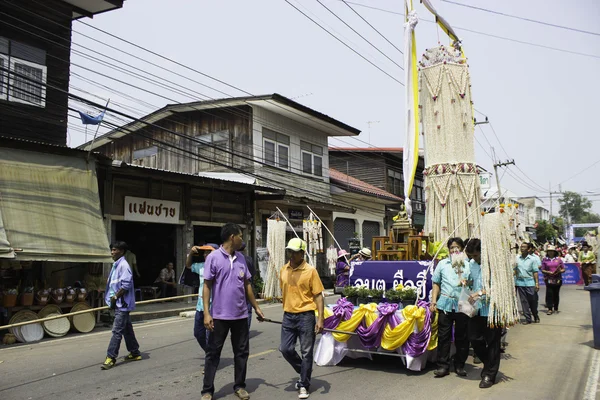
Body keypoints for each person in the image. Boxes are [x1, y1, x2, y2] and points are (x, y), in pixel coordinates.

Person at [201, 223, 265, 400]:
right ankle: (207, 390)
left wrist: (256, 308)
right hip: (219, 316)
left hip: (241, 315)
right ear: (232, 237)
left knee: (241, 353)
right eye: (240, 236)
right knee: (213, 353)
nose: (242, 239)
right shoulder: (213, 258)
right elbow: (206, 286)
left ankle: (239, 386)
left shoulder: (242, 259)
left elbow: (247, 285)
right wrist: (207, 313)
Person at [279, 238, 325, 399]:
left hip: (306, 316)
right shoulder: (284, 269)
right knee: (285, 349)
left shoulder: (310, 271)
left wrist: (320, 319)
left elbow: (318, 296)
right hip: (288, 316)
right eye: (289, 251)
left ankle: (304, 384)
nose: (291, 254)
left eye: (295, 252)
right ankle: (304, 370)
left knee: (306, 353)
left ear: (302, 253)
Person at [430, 237, 471, 378]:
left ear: (462, 249)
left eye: (457, 247)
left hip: (462, 305)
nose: (455, 250)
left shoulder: (468, 264)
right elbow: (436, 283)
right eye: (452, 247)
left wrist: (468, 282)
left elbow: (473, 283)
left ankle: (459, 365)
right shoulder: (442, 264)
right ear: (448, 250)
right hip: (445, 304)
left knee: (462, 337)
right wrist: (433, 301)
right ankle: (443, 366)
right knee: (443, 336)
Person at [465, 239, 502, 389]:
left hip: (492, 309)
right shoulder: (472, 265)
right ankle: (489, 365)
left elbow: (499, 286)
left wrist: (479, 293)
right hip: (476, 308)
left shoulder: (494, 265)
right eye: (472, 256)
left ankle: (489, 375)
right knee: (474, 338)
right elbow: (473, 282)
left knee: (493, 342)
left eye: (476, 255)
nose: (475, 258)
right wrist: (467, 283)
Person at [101, 241, 141, 370]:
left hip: (122, 304)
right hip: (118, 303)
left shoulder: (124, 265)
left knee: (117, 330)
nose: (112, 252)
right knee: (126, 328)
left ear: (122, 251)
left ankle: (110, 357)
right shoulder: (116, 265)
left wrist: (115, 297)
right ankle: (134, 352)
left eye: (114, 250)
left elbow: (126, 285)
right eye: (112, 250)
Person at [186, 244, 217, 364]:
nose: (205, 255)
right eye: (204, 253)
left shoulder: (219, 267)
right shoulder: (201, 267)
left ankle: (211, 360)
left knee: (210, 335)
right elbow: (188, 265)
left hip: (213, 307)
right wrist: (191, 253)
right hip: (200, 306)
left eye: (208, 252)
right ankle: (211, 353)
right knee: (198, 333)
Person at [515, 242, 540, 324]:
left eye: (524, 247)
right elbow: (514, 270)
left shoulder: (532, 259)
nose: (522, 248)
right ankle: (528, 318)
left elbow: (535, 272)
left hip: (530, 282)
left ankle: (535, 315)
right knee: (524, 301)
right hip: (520, 282)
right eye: (521, 247)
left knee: (532, 300)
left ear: (528, 249)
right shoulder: (517, 258)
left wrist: (537, 283)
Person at [541, 245, 565, 315]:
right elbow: (542, 270)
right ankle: (550, 308)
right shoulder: (545, 260)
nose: (550, 253)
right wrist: (548, 272)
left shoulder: (559, 259)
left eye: (552, 251)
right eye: (549, 251)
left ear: (554, 252)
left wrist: (559, 271)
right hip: (548, 278)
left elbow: (563, 269)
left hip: (557, 278)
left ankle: (556, 308)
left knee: (556, 293)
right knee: (549, 293)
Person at [239, 242, 256, 330]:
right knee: (248, 311)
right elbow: (253, 273)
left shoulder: (234, 259)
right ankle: (245, 330)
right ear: (244, 249)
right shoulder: (249, 259)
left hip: (238, 289)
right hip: (248, 287)